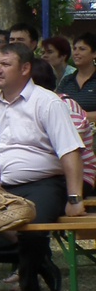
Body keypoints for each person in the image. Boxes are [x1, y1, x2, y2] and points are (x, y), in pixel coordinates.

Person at [0, 42, 85, 291]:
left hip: (43, 183)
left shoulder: (47, 102)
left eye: (5, 64)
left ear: (25, 69)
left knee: (32, 228)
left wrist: (74, 198)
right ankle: (41, 260)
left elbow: (70, 151)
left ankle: (30, 286)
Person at [31, 59, 96, 197]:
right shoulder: (26, 106)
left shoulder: (66, 106)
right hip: (45, 176)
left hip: (77, 177)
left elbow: (71, 150)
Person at [57, 32, 96, 122]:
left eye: (82, 49)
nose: (76, 53)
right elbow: (56, 105)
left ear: (94, 53)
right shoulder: (67, 80)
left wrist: (77, 116)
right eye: (74, 49)